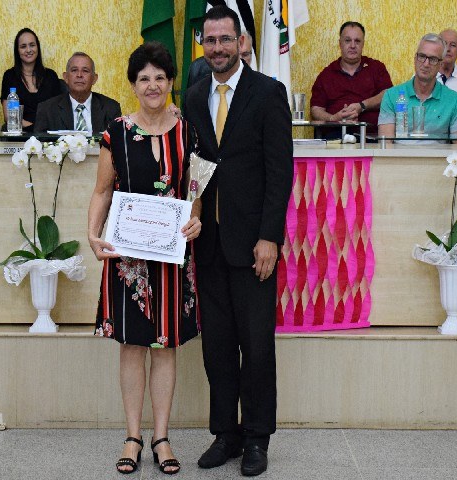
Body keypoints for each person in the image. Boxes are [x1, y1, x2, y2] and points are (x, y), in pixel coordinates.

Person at [184, 6, 293, 477]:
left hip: (254, 247)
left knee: (257, 345)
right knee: (218, 347)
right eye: (210, 40)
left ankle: (257, 438)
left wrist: (270, 237)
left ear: (242, 42)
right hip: (209, 243)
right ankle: (225, 433)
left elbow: (280, 172)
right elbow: (195, 166)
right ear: (202, 45)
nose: (218, 48)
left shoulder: (268, 93)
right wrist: (190, 216)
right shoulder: (192, 96)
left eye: (225, 39)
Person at [87, 41, 201, 475]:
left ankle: (162, 437)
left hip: (173, 257)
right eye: (143, 79)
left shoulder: (188, 131)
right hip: (127, 261)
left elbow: (194, 190)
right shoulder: (115, 131)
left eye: (159, 78)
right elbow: (103, 190)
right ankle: (133, 437)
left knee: (166, 347)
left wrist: (196, 219)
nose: (152, 85)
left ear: (170, 82)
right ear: (133, 85)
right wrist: (92, 233)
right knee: (132, 346)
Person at [378, 33, 457, 142]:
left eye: (433, 59)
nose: (426, 64)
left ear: (440, 64)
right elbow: (385, 144)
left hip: (438, 153)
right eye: (422, 56)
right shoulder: (391, 95)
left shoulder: (453, 99)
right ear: (415, 59)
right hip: (401, 153)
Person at [310, 21, 392, 136]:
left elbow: (388, 95)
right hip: (335, 137)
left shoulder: (376, 68)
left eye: (357, 41)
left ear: (363, 44)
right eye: (347, 40)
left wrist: (362, 106)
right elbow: (316, 109)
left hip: (371, 137)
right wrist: (334, 118)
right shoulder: (326, 74)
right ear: (340, 43)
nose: (353, 46)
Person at [35, 52, 121, 133]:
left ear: (94, 78)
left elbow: (117, 142)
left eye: (85, 71)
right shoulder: (47, 109)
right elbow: (39, 142)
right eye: (74, 70)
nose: (79, 75)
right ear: (66, 77)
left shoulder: (111, 108)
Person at [0, 28, 62, 132]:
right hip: (21, 134)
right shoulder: (9, 76)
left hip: (48, 135)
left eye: (32, 45)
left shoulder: (51, 76)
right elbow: (8, 117)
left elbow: (58, 112)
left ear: (38, 47)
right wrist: (35, 128)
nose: (28, 50)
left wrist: (43, 131)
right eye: (23, 46)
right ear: (17, 50)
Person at [187, 30, 254, 89]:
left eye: (245, 55)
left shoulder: (258, 85)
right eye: (236, 54)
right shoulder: (202, 78)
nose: (241, 60)